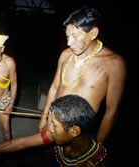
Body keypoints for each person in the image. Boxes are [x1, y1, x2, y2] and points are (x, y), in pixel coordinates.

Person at [38, 6, 126, 144]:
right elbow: (55, 88)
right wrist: (44, 118)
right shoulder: (66, 55)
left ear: (93, 33)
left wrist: (97, 146)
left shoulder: (114, 63)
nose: (69, 42)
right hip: (53, 123)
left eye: (75, 36)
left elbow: (112, 110)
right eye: (67, 36)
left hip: (78, 134)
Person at [0, 95, 108, 166]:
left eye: (54, 125)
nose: (50, 129)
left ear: (74, 131)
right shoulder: (59, 135)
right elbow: (23, 143)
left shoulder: (96, 163)